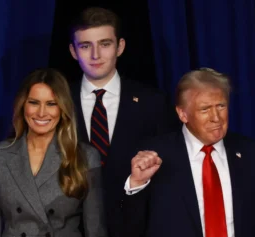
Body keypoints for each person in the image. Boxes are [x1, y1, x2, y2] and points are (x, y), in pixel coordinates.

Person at [123, 68, 255, 237]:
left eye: (221, 106)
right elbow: (130, 226)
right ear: (182, 114)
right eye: (205, 109)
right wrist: (137, 184)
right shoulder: (155, 156)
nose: (216, 117)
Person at [68, 6, 178, 237]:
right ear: (73, 51)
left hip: (138, 228)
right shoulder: (57, 103)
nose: (95, 55)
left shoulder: (153, 102)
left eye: (105, 44)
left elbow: (169, 174)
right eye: (86, 46)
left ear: (120, 47)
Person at [0, 68, 107, 237]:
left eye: (51, 104)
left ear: (62, 109)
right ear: (23, 105)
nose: (41, 113)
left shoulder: (86, 157)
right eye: (34, 102)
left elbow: (95, 229)